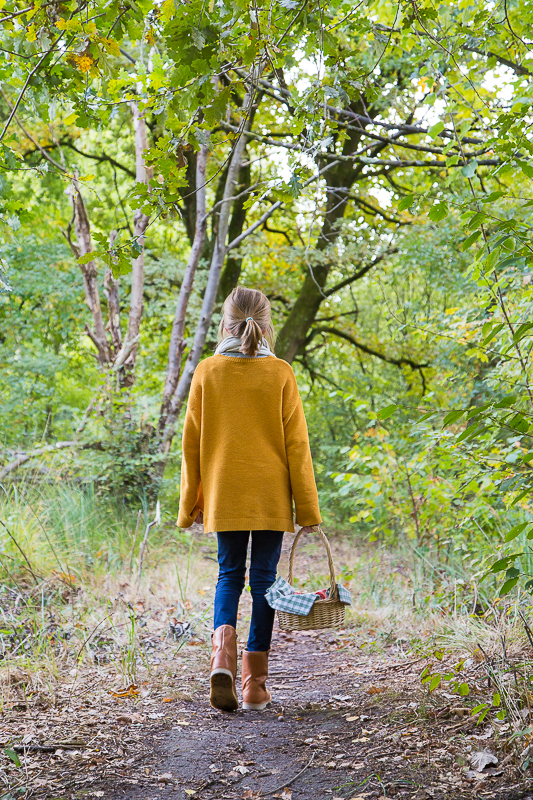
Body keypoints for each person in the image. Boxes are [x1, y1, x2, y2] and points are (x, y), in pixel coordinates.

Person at [178, 286, 321, 712]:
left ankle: (220, 656)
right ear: (266, 322)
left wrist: (192, 503)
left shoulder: (207, 371)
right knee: (263, 582)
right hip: (271, 496)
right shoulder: (280, 373)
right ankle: (255, 684)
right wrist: (308, 510)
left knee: (228, 576)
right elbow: (298, 446)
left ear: (225, 322)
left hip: (226, 493)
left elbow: (192, 443)